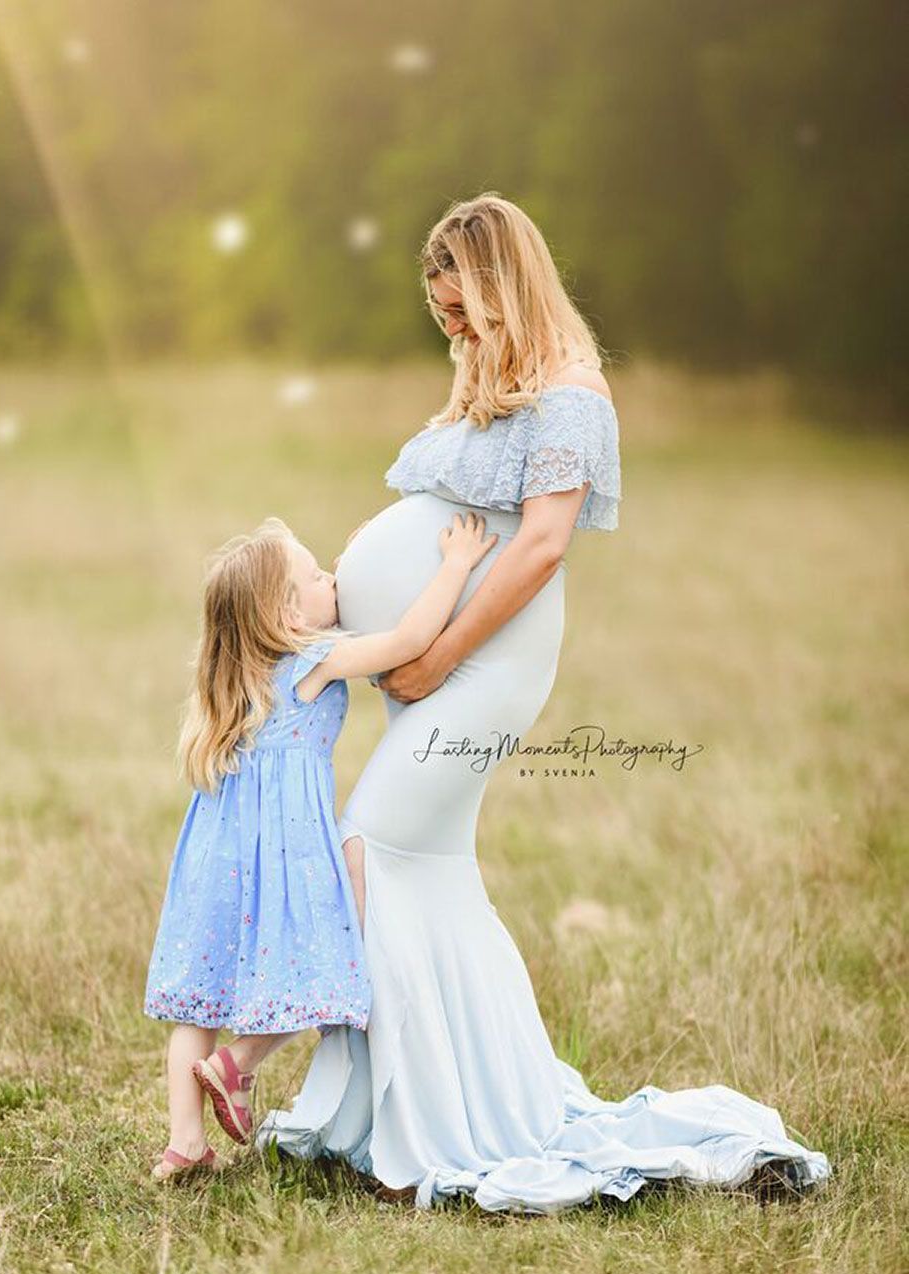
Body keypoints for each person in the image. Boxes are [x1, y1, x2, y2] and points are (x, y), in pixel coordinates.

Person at [256, 192, 833, 1212]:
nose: (457, 331)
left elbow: (539, 546)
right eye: (443, 318)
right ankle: (437, 1106)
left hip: (482, 666)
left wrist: (431, 657)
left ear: (502, 284)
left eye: (466, 311)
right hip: (428, 655)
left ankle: (429, 1126)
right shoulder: (491, 378)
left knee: (370, 847)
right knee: (425, 872)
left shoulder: (572, 393)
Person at [144, 510, 498, 1180]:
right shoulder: (313, 658)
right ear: (287, 612)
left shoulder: (235, 678)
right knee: (319, 966)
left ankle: (183, 1142)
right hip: (285, 855)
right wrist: (456, 562)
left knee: (200, 997)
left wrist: (362, 553)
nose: (331, 578)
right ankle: (238, 1063)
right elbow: (410, 638)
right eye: (316, 575)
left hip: (215, 857)